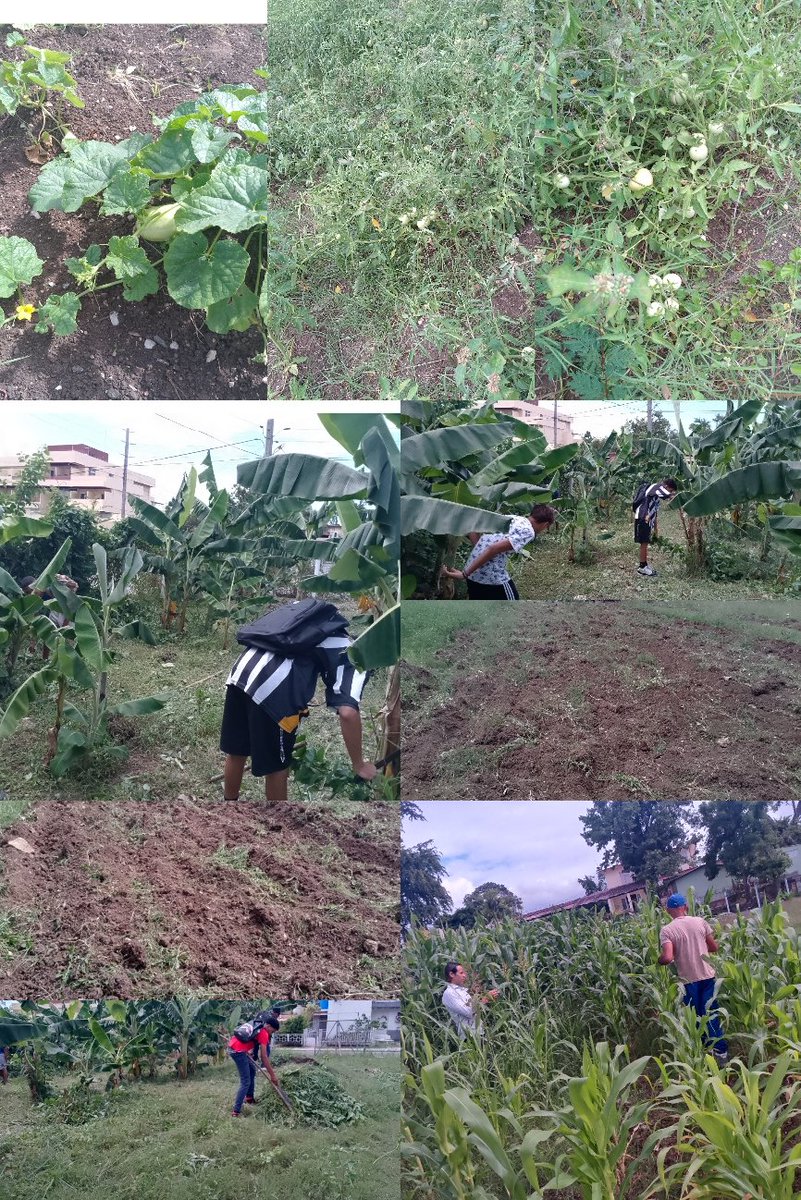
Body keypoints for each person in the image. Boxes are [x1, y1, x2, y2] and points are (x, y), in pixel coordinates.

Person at [219, 601, 378, 803]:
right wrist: (359, 765)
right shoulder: (353, 654)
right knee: (277, 767)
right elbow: (348, 713)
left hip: (240, 672)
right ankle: (279, 825)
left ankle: (228, 806)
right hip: (272, 690)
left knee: (236, 751)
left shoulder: (319, 624)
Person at [658, 893, 729, 1062]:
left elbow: (667, 958)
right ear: (686, 907)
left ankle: (704, 1052)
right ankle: (721, 1053)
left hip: (687, 981)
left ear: (668, 911)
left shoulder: (667, 930)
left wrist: (659, 960)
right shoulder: (700, 922)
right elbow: (714, 947)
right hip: (707, 976)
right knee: (711, 1013)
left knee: (695, 1016)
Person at [440, 504, 557, 599]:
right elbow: (493, 548)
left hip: (474, 577)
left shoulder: (515, 518)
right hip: (491, 579)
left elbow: (474, 528)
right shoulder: (528, 531)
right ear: (545, 524)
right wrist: (464, 574)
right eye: (546, 527)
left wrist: (470, 568)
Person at [229, 1014, 280, 1116]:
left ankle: (249, 1098)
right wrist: (273, 1075)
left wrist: (248, 1051)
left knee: (252, 1070)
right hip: (238, 1052)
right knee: (245, 1081)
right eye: (272, 1031)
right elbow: (264, 1057)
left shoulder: (258, 1026)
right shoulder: (264, 1033)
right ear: (268, 1026)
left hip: (235, 1047)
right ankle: (236, 1111)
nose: (272, 1033)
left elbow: (249, 1040)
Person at [633, 478, 678, 577]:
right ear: (666, 486)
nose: (670, 492)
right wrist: (675, 496)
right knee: (644, 543)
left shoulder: (655, 493)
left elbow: (654, 510)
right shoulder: (656, 487)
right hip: (642, 517)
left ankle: (644, 565)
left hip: (646, 519)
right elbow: (667, 495)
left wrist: (655, 528)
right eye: (670, 490)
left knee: (645, 542)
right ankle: (642, 567)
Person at [442, 961, 499, 1036]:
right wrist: (485, 999)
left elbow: (474, 1010)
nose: (465, 975)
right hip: (469, 1036)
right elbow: (468, 1012)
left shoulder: (462, 990)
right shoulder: (449, 993)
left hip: (478, 1032)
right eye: (461, 973)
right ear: (452, 974)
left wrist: (487, 999)